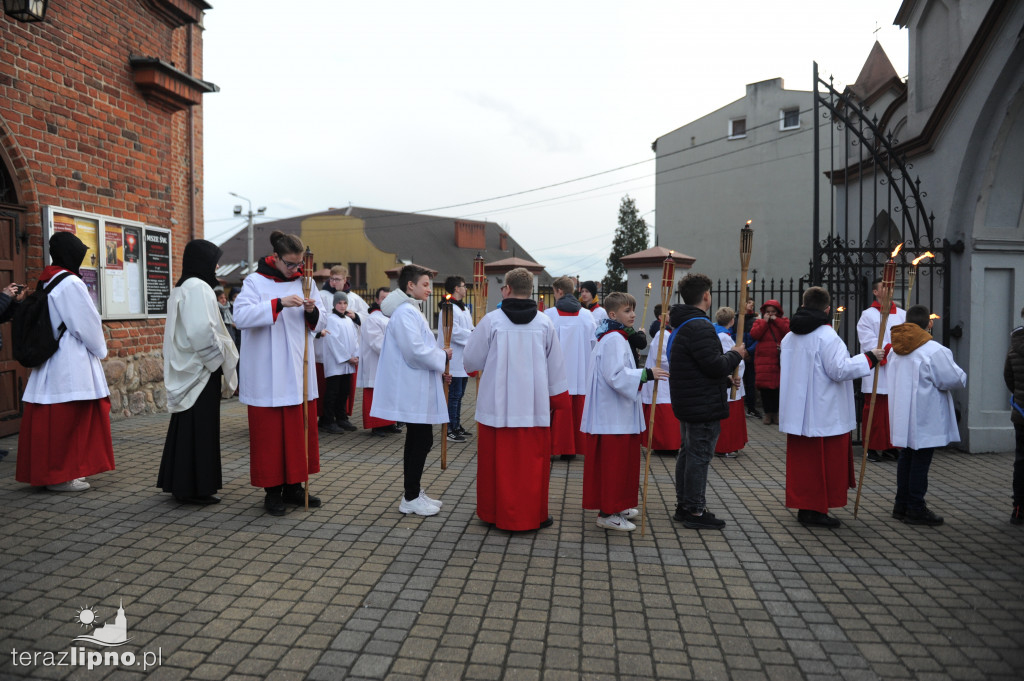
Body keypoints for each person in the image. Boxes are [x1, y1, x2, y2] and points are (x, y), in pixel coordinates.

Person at [464, 267, 569, 531]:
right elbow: (556, 366)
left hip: (496, 409)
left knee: (495, 465)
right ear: (531, 290)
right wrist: (557, 399)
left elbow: (471, 361)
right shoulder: (545, 323)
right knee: (531, 466)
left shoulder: (491, 320)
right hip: (533, 408)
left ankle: (492, 513)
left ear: (506, 290)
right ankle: (533, 515)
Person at [233, 231, 327, 516]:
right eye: (290, 264)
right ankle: (272, 492)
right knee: (271, 437)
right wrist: (277, 304)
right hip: (268, 374)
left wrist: (312, 311)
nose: (295, 269)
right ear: (275, 258)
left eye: (299, 264)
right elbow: (240, 317)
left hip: (298, 371)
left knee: (298, 433)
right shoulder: (255, 282)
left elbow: (322, 318)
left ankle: (294, 487)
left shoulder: (306, 282)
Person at [16, 232, 114, 492]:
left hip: (51, 360)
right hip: (70, 362)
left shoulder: (47, 280)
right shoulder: (70, 283)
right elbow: (86, 324)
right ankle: (61, 475)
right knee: (69, 421)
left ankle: (54, 473)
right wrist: (100, 349)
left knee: (50, 422)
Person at [780, 286, 884, 528]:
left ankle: (807, 506)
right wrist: (869, 358)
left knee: (804, 464)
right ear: (827, 310)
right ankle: (815, 510)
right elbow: (839, 370)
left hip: (798, 410)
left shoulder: (789, 336)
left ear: (803, 305)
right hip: (824, 411)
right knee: (822, 464)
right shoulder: (828, 337)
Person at [159, 239, 239, 505]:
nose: (216, 265)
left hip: (188, 365)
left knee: (186, 427)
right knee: (200, 428)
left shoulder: (182, 286)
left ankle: (180, 483)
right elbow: (201, 331)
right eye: (213, 259)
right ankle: (196, 487)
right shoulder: (200, 288)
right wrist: (218, 363)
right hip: (200, 369)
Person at [581, 292, 668, 531]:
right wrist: (646, 374)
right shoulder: (613, 339)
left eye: (633, 310)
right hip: (612, 416)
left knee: (622, 464)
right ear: (612, 314)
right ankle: (607, 512)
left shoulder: (616, 337)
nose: (632, 315)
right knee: (614, 464)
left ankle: (617, 504)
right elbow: (615, 375)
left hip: (617, 413)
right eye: (627, 311)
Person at [371, 265, 451, 517]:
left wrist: (440, 364)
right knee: (419, 440)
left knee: (421, 439)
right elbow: (414, 350)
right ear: (410, 286)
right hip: (411, 386)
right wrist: (441, 355)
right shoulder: (406, 313)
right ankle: (410, 496)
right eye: (425, 284)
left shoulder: (412, 310)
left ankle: (414, 491)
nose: (430, 289)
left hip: (418, 384)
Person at [668, 273, 745, 530]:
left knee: (689, 454)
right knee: (698, 456)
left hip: (691, 399)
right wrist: (735, 355)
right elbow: (712, 365)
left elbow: (695, 367)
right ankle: (695, 510)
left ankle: (685, 504)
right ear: (706, 296)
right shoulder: (700, 326)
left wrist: (725, 381)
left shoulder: (685, 324)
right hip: (701, 404)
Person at [886, 305, 966, 526]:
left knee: (906, 457)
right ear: (929, 324)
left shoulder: (895, 348)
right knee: (920, 461)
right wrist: (960, 373)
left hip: (903, 411)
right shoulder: (933, 350)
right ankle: (915, 507)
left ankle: (900, 504)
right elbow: (952, 379)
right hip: (925, 413)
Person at [543, 275, 596, 460]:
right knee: (576, 411)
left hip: (556, 374)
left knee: (557, 410)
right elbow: (594, 346)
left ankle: (555, 447)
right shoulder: (587, 315)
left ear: (558, 291)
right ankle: (572, 450)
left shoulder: (549, 315)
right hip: (580, 374)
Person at [857, 277, 907, 462]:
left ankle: (891, 446)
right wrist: (892, 349)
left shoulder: (902, 314)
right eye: (884, 287)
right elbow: (868, 340)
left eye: (891, 287)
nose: (889, 290)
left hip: (897, 369)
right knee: (874, 411)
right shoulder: (868, 315)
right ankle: (871, 447)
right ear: (875, 292)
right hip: (879, 367)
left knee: (893, 411)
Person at [437, 275, 474, 443]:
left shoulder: (463, 308)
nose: (466, 289)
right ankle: (449, 428)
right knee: (453, 395)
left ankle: (457, 424)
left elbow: (469, 327)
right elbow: (453, 331)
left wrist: (475, 332)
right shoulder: (448, 307)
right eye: (463, 286)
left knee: (460, 395)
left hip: (463, 358)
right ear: (456, 289)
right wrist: (473, 335)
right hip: (453, 357)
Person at [358, 287, 399, 436]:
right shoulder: (373, 319)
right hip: (376, 365)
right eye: (383, 298)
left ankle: (388, 423)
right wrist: (398, 351)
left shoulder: (390, 317)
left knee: (389, 394)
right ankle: (377, 425)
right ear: (377, 301)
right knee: (375, 395)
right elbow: (377, 343)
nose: (386, 301)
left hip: (389, 364)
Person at [320, 291, 360, 434]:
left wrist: (356, 355)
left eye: (344, 303)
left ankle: (341, 418)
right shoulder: (331, 319)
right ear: (334, 304)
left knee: (344, 391)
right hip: (336, 363)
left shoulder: (349, 320)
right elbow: (333, 341)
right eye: (339, 303)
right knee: (332, 392)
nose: (342, 306)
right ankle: (328, 421)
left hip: (348, 363)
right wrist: (347, 357)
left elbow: (355, 339)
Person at [641, 319, 680, 455]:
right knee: (663, 414)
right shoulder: (662, 335)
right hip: (661, 378)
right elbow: (662, 359)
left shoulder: (669, 334)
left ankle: (670, 444)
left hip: (668, 378)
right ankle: (663, 445)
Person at [714, 307, 748, 458]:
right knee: (728, 419)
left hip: (725, 381)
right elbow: (732, 359)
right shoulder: (724, 337)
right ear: (732, 321)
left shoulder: (716, 333)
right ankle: (725, 446)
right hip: (730, 383)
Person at [750, 299, 789, 425]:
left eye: (773, 312)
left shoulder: (783, 321)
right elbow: (755, 335)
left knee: (778, 389)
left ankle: (776, 414)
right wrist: (765, 322)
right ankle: (767, 414)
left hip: (778, 359)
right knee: (765, 390)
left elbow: (788, 331)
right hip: (763, 360)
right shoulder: (759, 322)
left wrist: (776, 321)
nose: (771, 314)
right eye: (768, 312)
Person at [1005, 306, 1024, 525]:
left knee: (1021, 461)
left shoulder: (1015, 345)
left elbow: (1008, 377)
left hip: (1021, 412)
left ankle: (1019, 509)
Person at [741, 298, 761, 418]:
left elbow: (758, 338)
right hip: (740, 355)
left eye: (752, 304)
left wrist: (748, 351)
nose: (751, 306)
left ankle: (751, 407)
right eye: (748, 303)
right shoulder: (738, 318)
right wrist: (741, 350)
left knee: (750, 383)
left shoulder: (756, 320)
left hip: (750, 356)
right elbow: (734, 334)